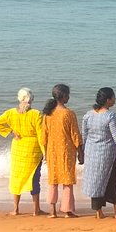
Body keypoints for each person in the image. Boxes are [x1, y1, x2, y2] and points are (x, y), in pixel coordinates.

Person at [0, 87, 47, 217]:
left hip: (18, 149)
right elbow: (40, 135)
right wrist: (45, 152)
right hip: (33, 150)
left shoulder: (10, 113)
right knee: (34, 179)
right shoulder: (36, 114)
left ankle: (15, 209)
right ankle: (36, 209)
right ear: (31, 99)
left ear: (19, 99)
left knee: (16, 178)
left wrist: (10, 131)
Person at [80, 87, 116, 218]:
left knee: (96, 182)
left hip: (91, 153)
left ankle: (98, 212)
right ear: (108, 100)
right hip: (108, 154)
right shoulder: (110, 116)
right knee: (115, 182)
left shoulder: (88, 115)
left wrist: (81, 152)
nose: (115, 99)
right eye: (113, 97)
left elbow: (83, 136)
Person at [42, 83, 82, 218]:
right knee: (67, 181)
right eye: (68, 95)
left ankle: (52, 210)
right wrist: (81, 151)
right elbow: (75, 135)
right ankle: (67, 210)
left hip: (52, 152)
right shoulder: (69, 114)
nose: (69, 97)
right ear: (64, 96)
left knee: (53, 180)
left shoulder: (48, 114)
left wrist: (44, 153)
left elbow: (44, 136)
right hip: (66, 152)